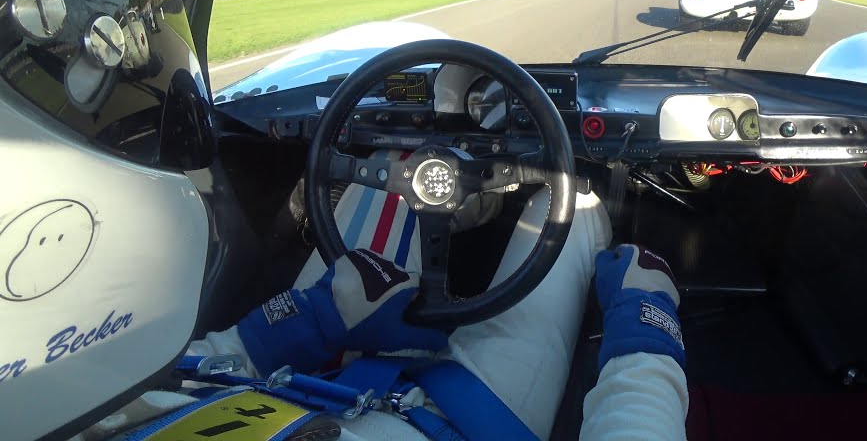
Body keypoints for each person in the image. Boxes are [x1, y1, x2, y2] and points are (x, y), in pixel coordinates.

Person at [73, 181, 689, 441]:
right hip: (468, 421)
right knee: (571, 202)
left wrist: (298, 325)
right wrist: (646, 333)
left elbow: (153, 388)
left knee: (379, 189)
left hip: (292, 386)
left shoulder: (51, 413)